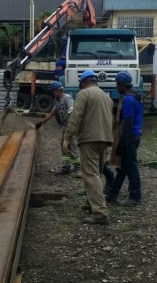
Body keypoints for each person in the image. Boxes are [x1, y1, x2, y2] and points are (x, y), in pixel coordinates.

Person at [63, 70, 113, 225]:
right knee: (96, 174)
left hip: (89, 139)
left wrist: (67, 138)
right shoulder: (107, 97)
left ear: (83, 83)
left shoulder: (84, 94)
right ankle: (90, 203)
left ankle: (100, 213)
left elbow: (75, 117)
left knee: (90, 175)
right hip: (104, 139)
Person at [108, 71, 143, 206]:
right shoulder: (136, 97)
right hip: (135, 135)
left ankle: (135, 196)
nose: (117, 87)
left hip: (129, 136)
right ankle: (112, 193)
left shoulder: (128, 100)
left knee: (131, 167)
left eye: (117, 84)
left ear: (122, 85)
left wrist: (122, 143)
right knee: (122, 168)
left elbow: (127, 122)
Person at [36, 82, 81, 177]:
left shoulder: (67, 98)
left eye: (53, 91)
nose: (53, 93)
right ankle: (66, 167)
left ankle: (78, 169)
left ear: (58, 90)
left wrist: (71, 127)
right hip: (64, 127)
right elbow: (52, 113)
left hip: (70, 127)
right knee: (63, 147)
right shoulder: (57, 100)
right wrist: (41, 122)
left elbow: (72, 111)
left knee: (71, 146)